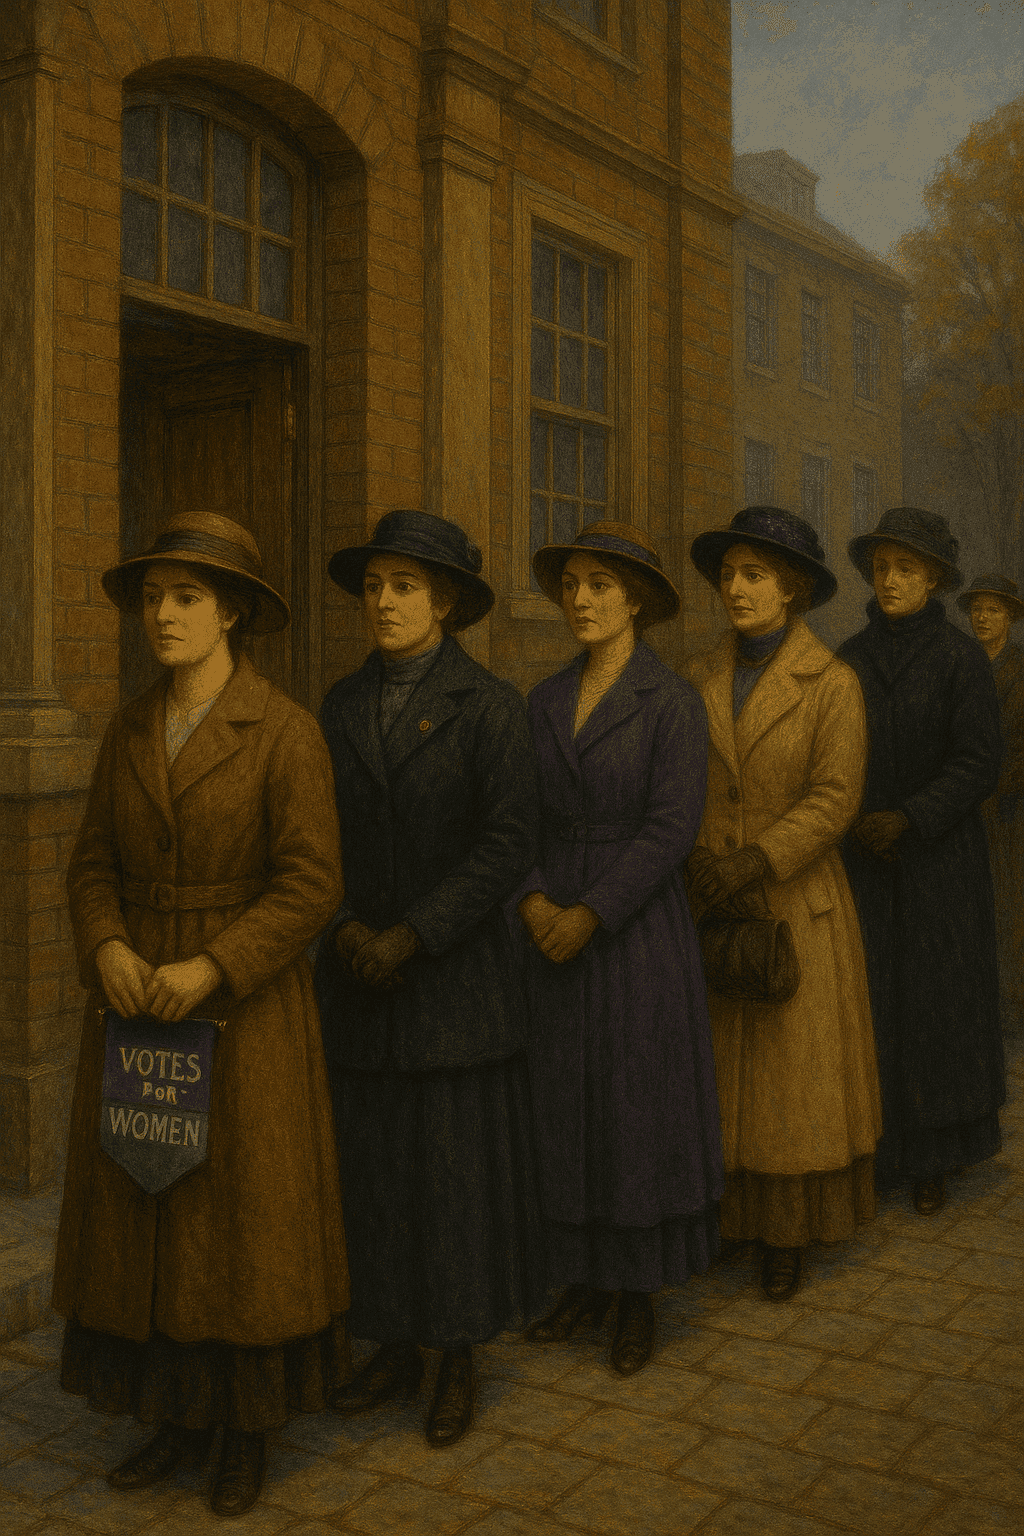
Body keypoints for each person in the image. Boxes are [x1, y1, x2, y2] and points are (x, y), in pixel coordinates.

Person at [54, 512, 349, 1517]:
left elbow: (311, 886)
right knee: (152, 1210)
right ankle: (171, 1415)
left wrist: (215, 964)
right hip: (139, 1005)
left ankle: (242, 1434)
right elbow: (93, 858)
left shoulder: (285, 730)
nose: (165, 616)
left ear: (232, 613)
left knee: (240, 1225)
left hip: (246, 1016)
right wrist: (109, 946)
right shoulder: (130, 727)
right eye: (153, 598)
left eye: (187, 598)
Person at [314, 509, 545, 1447]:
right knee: (379, 1173)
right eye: (373, 586)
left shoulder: (489, 708)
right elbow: (315, 839)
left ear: (445, 603)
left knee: (451, 1182)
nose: (383, 603)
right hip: (362, 983)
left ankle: (456, 1359)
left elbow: (507, 844)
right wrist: (345, 931)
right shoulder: (336, 706)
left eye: (404, 587)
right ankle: (399, 1343)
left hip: (453, 988)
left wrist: (415, 933)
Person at [518, 521, 722, 1374]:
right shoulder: (542, 700)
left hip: (636, 930)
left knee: (635, 1105)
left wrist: (591, 912)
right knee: (565, 1102)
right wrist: (530, 898)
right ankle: (582, 1279)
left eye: (600, 585)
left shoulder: (670, 702)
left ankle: (637, 1294)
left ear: (635, 599)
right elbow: (515, 815)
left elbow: (672, 828)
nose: (582, 599)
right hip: (550, 921)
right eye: (571, 584)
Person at [687, 507, 881, 1301]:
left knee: (790, 1083)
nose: (736, 588)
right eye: (729, 574)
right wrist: (702, 857)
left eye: (754, 575)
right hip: (714, 897)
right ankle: (733, 1218)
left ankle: (788, 1236)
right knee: (728, 1073)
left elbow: (836, 799)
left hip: (797, 901)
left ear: (792, 590)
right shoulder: (699, 675)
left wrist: (757, 859)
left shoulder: (832, 682)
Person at [839, 509, 1006, 1214]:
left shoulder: (962, 660)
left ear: (934, 578)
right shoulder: (847, 656)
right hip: (867, 860)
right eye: (881, 567)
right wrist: (858, 820)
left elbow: (978, 764)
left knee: (938, 1005)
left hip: (940, 861)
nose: (891, 579)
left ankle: (937, 1155)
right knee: (876, 999)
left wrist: (909, 816)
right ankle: (884, 1148)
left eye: (906, 568)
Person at [960, 574, 1024, 1035]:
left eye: (994, 610)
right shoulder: (961, 668)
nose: (983, 617)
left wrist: (991, 783)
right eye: (977, 609)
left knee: (1006, 908)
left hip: (1009, 813)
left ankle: (1008, 1009)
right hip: (963, 812)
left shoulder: (1020, 672)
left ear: (1012, 619)